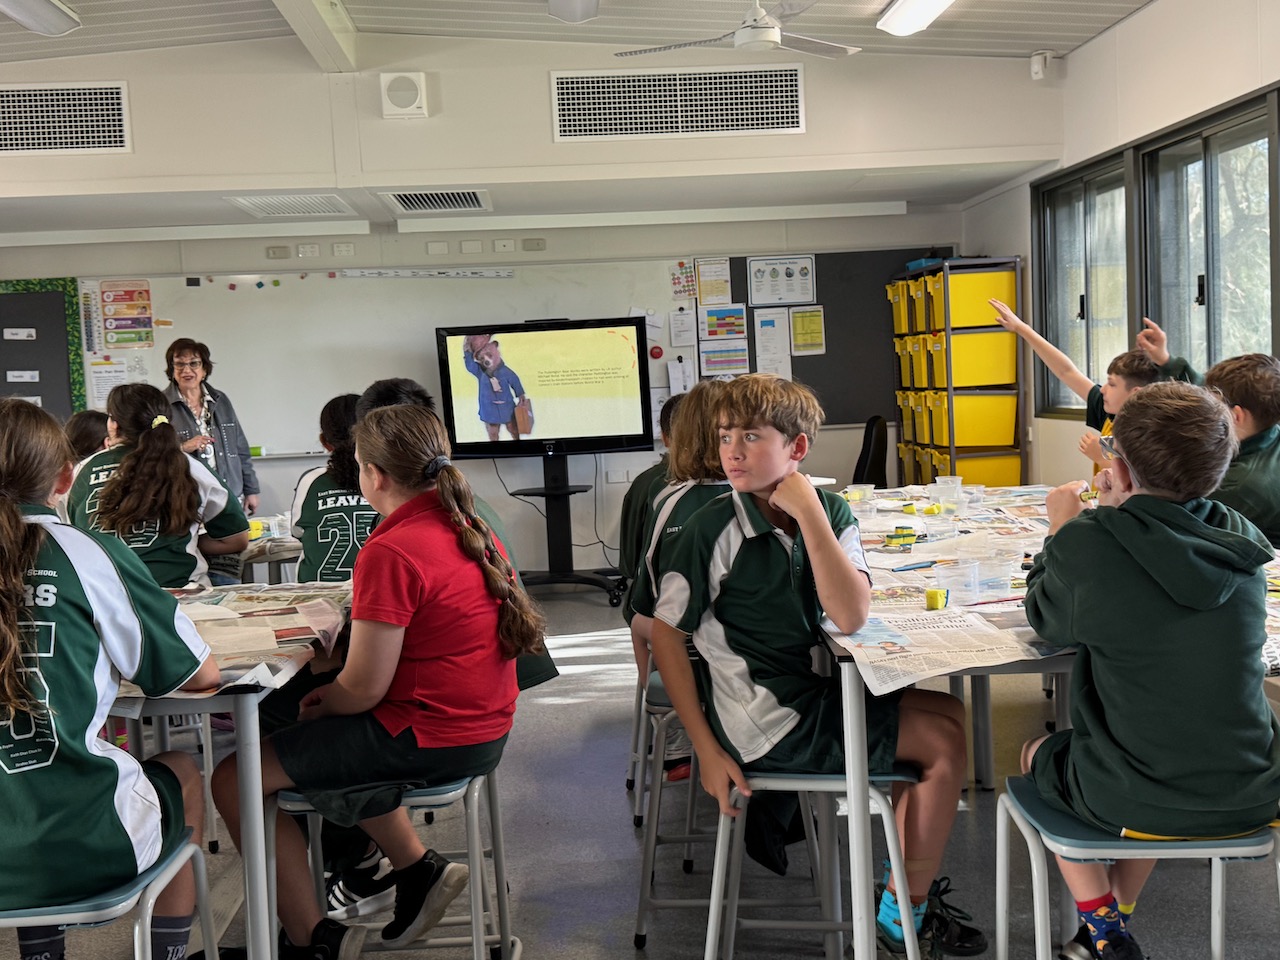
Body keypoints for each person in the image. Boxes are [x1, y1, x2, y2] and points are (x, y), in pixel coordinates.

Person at [648, 373, 984, 959]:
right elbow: (667, 638)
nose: (732, 451)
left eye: (751, 436)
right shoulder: (710, 529)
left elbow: (849, 614)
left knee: (951, 714)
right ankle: (903, 915)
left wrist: (809, 514)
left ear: (797, 448)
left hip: (800, 694)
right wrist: (704, 749)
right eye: (726, 436)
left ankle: (899, 892)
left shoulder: (827, 511)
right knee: (943, 745)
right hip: (761, 720)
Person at [210, 404, 547, 960]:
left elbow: (363, 689)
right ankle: (413, 867)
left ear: (373, 474)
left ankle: (310, 941)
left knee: (236, 775)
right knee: (302, 732)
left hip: (427, 736)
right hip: (482, 727)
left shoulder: (392, 549)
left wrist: (326, 702)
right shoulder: (470, 525)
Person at [1021, 381, 1280, 960]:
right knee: (1167, 749)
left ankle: (1102, 924)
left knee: (1037, 752)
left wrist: (1061, 528)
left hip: (1142, 792)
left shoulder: (1089, 542)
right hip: (1251, 786)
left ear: (1117, 468)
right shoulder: (1241, 543)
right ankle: (1111, 921)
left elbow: (1047, 617)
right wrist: (1123, 511)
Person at [0, 397, 221, 960]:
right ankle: (169, 953)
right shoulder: (86, 552)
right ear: (64, 477)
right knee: (181, 770)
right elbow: (200, 675)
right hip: (84, 841)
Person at [626, 382, 727, 781]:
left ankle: (671, 729)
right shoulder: (774, 497)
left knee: (639, 620)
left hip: (694, 651)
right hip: (766, 657)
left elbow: (647, 597)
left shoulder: (669, 500)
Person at [67, 382, 250, 589]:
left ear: (114, 425)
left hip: (104, 595)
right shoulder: (190, 467)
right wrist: (186, 542)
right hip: (179, 594)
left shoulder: (82, 470)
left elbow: (72, 535)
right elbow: (236, 539)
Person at [1135, 319, 1280, 545]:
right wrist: (1166, 361)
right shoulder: (1267, 425)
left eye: (1212, 404)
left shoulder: (1238, 485)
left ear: (1236, 416)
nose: (1204, 407)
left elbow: (1178, 530)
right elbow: (1207, 387)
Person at [989, 299, 1160, 472]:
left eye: (1112, 384)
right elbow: (1066, 372)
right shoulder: (1111, 413)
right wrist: (1021, 328)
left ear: (1135, 393)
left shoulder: (1151, 432)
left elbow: (1141, 479)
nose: (1102, 389)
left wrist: (1102, 458)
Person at [162, 338, 260, 584]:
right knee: (194, 563)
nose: (187, 370)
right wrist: (184, 447)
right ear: (171, 370)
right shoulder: (163, 405)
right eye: (179, 364)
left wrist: (251, 489)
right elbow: (156, 452)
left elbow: (240, 447)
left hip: (228, 494)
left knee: (229, 567)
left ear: (204, 368)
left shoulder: (220, 400)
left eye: (194, 363)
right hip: (188, 499)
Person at [291, 394, 376, 583]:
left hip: (315, 594)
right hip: (374, 590)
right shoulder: (390, 478)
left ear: (324, 441)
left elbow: (297, 531)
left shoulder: (312, 480)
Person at [617, 391, 684, 629]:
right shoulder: (739, 483)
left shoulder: (647, 485)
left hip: (658, 608)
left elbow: (629, 563)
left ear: (665, 437)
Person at [462, 334, 528, 441]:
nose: (486, 360)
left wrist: (521, 395)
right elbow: (470, 365)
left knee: (513, 428)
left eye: (489, 355)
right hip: (489, 411)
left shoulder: (505, 371)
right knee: (493, 433)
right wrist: (467, 350)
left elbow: (514, 380)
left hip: (507, 408)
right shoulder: (480, 371)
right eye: (482, 358)